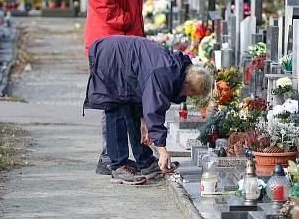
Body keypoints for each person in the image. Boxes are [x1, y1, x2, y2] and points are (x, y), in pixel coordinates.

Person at [84, 0, 165, 176]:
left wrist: (136, 35)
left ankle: (119, 158)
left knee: (128, 99)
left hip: (125, 41)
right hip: (110, 41)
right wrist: (126, 22)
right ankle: (112, 160)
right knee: (116, 101)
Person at [84, 35, 213, 185]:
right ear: (187, 84)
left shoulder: (177, 70)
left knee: (132, 107)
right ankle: (118, 166)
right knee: (116, 108)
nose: (187, 97)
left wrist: (143, 121)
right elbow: (154, 110)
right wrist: (162, 151)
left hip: (123, 59)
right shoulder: (166, 75)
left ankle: (145, 162)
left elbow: (145, 98)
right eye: (191, 93)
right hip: (111, 58)